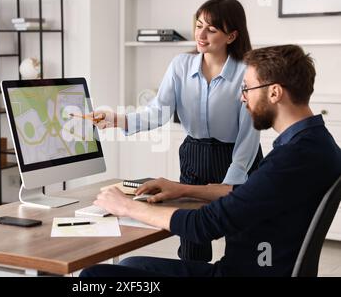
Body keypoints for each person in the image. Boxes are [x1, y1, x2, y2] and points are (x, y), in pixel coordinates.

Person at [80, 44, 341, 277]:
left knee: (94, 276)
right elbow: (248, 194)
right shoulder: (313, 143)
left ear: (274, 93)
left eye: (247, 88)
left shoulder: (293, 157)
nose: (242, 97)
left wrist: (127, 207)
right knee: (129, 265)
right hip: (247, 269)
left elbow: (204, 225)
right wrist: (183, 189)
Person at [89, 0, 263, 262]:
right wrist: (117, 119)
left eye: (212, 29)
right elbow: (158, 112)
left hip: (238, 156)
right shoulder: (181, 65)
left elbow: (249, 135)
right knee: (192, 241)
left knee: (242, 239)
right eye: (199, 25)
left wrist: (231, 182)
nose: (201, 34)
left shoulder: (247, 72)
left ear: (232, 36)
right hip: (194, 155)